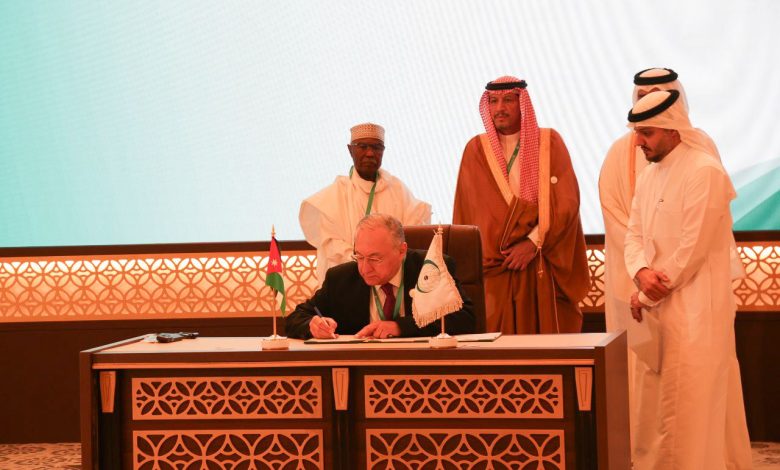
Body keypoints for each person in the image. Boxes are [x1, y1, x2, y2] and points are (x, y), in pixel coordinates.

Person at [624, 90, 752, 469]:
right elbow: (634, 234)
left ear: (672, 128)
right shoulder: (649, 175)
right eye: (636, 132)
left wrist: (646, 294)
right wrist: (640, 272)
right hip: (657, 312)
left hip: (698, 311)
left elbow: (691, 251)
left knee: (692, 408)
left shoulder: (704, 171)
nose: (638, 142)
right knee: (659, 406)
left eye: (646, 133)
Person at [452, 76, 589, 334]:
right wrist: (502, 248)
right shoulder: (475, 150)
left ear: (522, 103)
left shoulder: (549, 142)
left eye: (508, 100)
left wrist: (533, 242)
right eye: (493, 101)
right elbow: (468, 212)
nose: (500, 108)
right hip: (498, 267)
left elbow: (567, 203)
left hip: (540, 261)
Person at [599, 67, 726, 334]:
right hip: (638, 279)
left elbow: (696, 239)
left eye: (656, 95)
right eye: (642, 96)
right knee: (638, 356)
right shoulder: (631, 158)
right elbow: (625, 223)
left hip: (689, 289)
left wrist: (654, 282)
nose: (648, 101)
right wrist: (642, 270)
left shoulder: (702, 160)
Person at [285, 213, 475, 339]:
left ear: (401, 251)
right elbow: (296, 318)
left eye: (375, 259)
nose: (365, 268)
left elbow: (465, 319)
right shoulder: (341, 278)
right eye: (359, 257)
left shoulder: (430, 267)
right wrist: (312, 325)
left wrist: (400, 327)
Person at [299, 123, 431, 286]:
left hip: (392, 280)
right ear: (350, 150)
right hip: (350, 280)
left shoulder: (397, 190)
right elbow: (332, 245)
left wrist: (386, 264)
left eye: (377, 147)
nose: (370, 153)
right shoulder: (334, 195)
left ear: (383, 151)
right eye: (362, 146)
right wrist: (366, 264)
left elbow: (413, 231)